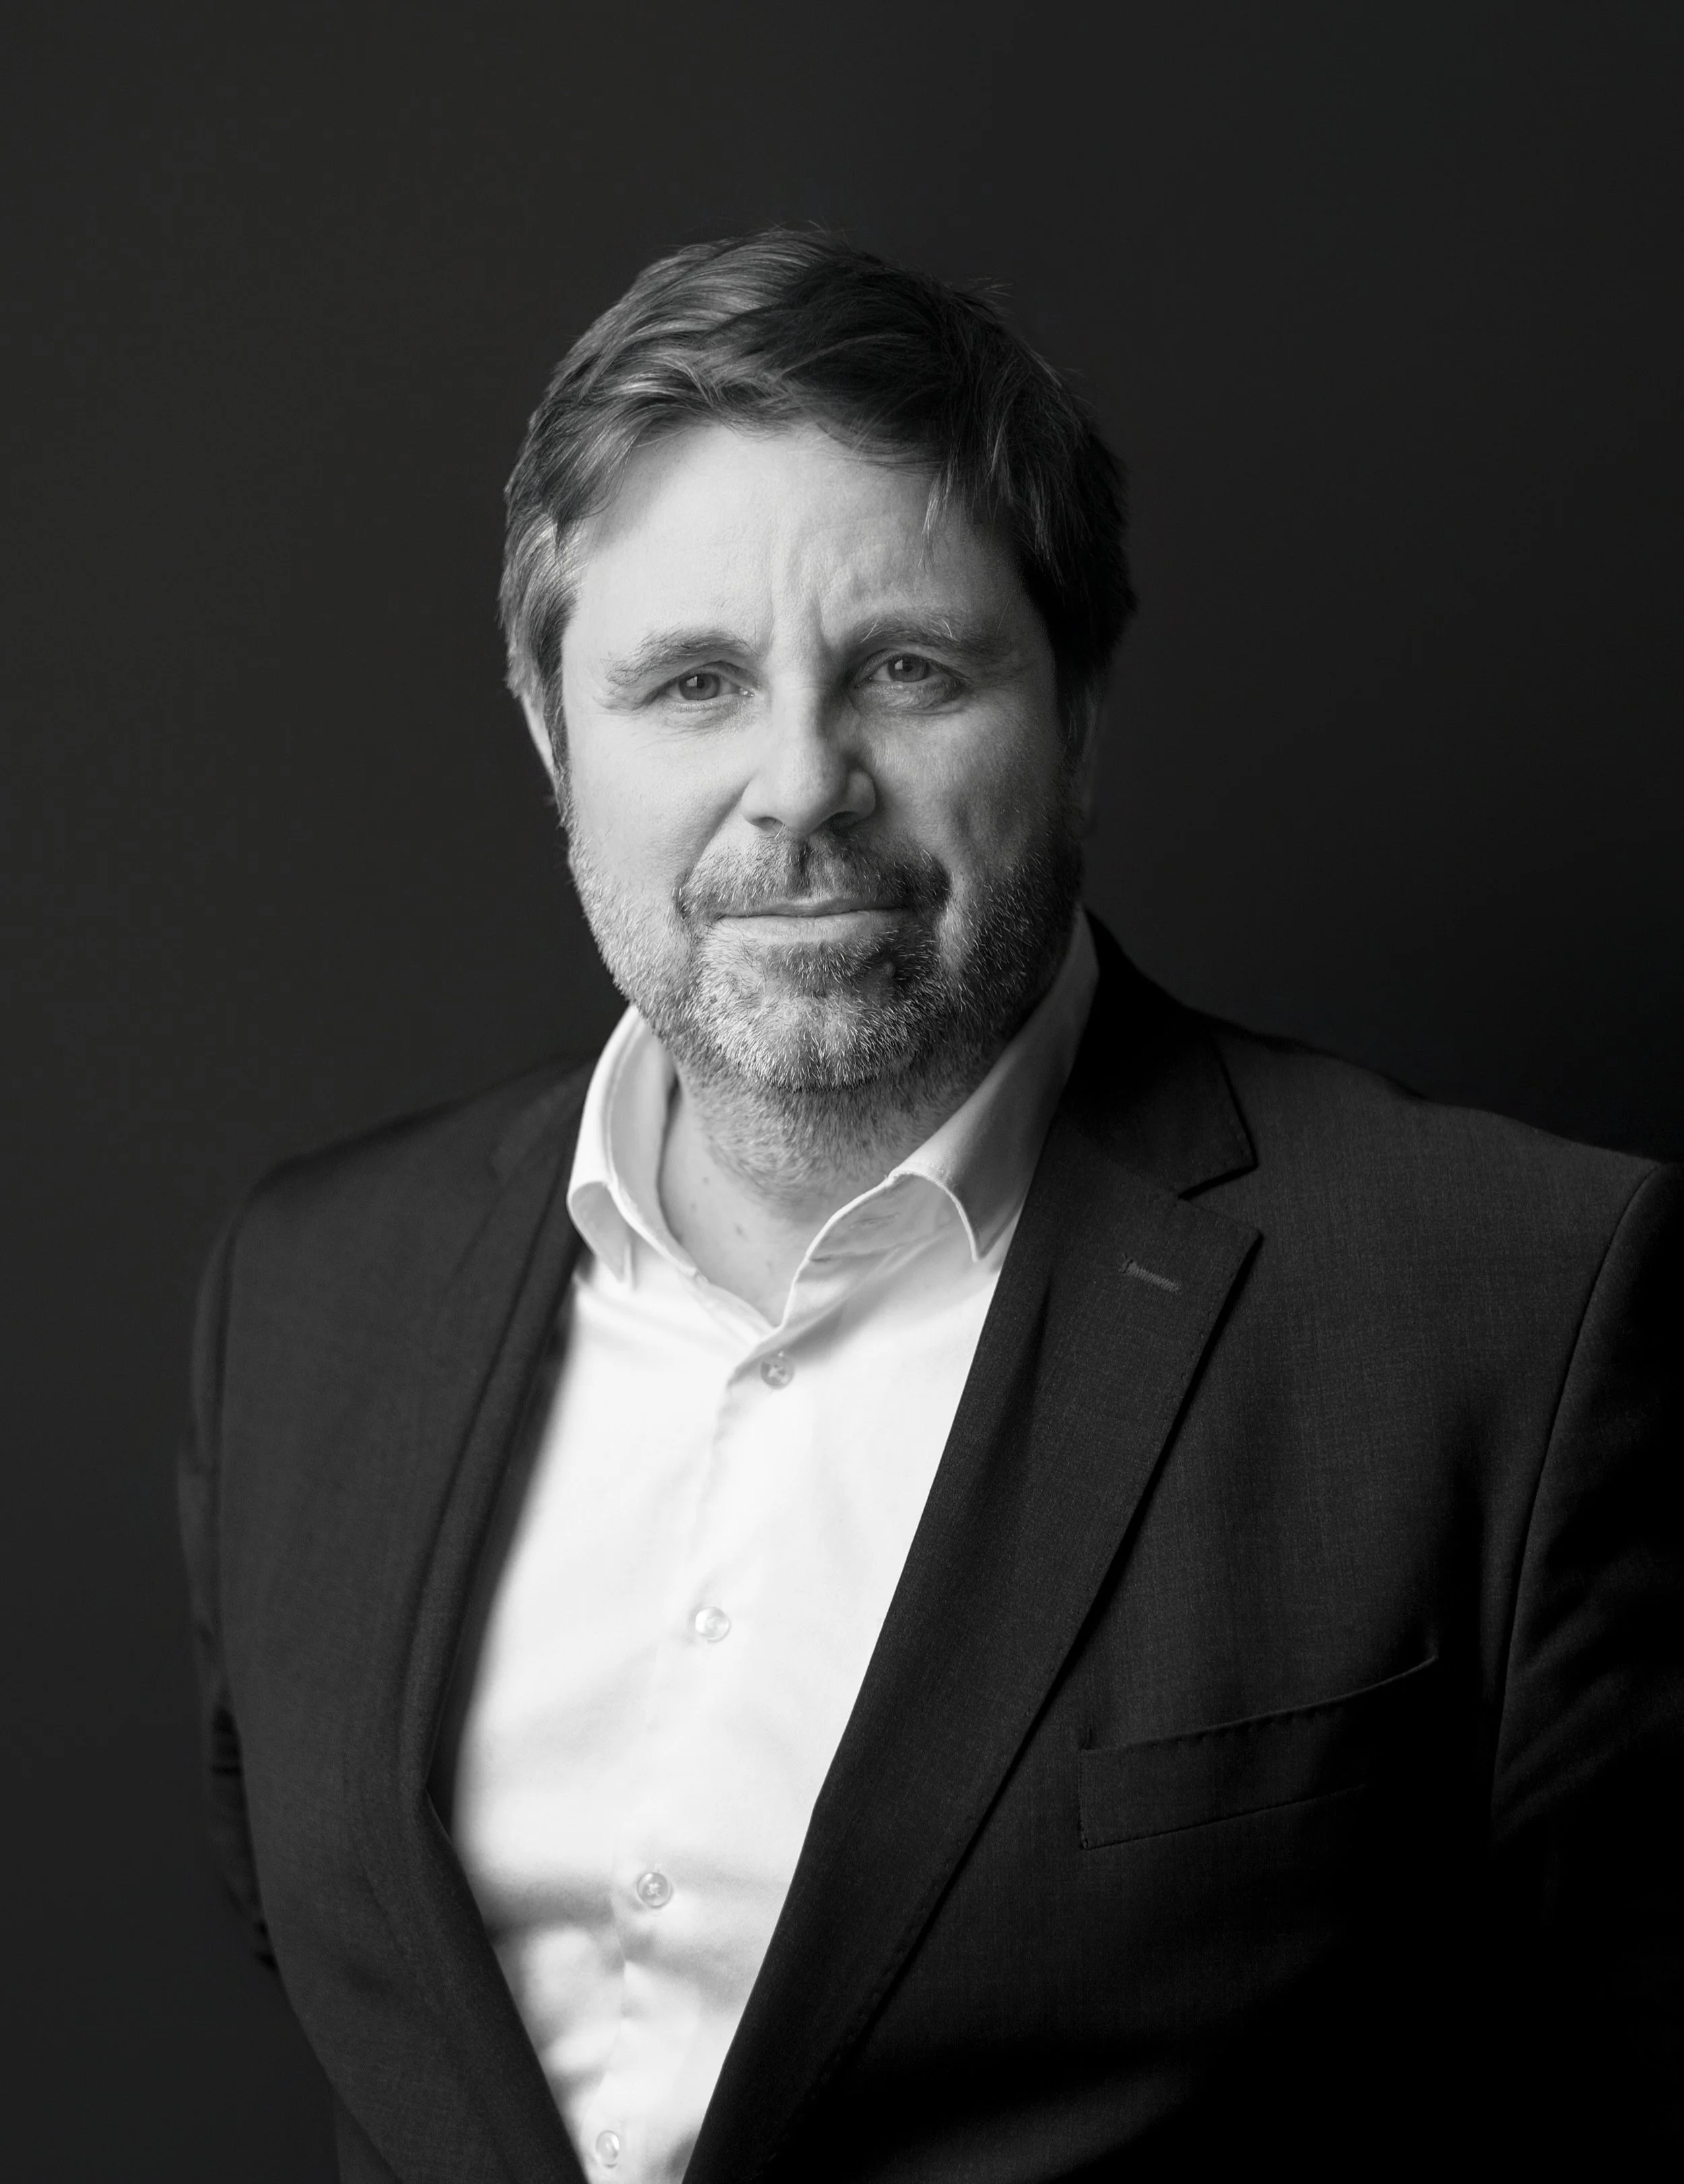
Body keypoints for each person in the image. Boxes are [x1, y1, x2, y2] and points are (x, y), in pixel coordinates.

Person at [179, 229, 1682, 2184]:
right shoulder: (302, 1299)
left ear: (1074, 721)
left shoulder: (1515, 1311)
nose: (799, 784)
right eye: (690, 682)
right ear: (558, 746)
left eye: (905, 668)